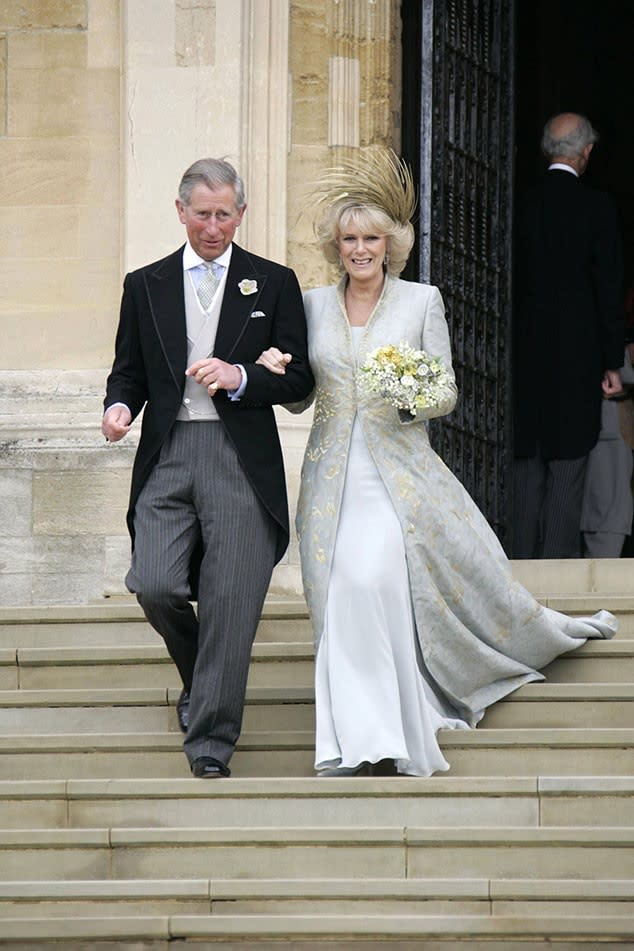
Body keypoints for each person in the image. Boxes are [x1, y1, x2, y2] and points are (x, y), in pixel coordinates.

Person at [257, 147, 616, 778]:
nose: (360, 249)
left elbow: (446, 390)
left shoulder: (421, 302)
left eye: (371, 238)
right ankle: (354, 740)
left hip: (399, 478)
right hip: (328, 481)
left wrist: (408, 395)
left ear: (391, 243)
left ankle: (392, 728)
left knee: (374, 582)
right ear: (335, 245)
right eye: (349, 239)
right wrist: (271, 372)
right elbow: (302, 396)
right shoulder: (310, 306)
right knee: (337, 594)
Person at [102, 158, 314, 779]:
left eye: (225, 215)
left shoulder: (272, 282)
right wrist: (118, 406)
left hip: (240, 458)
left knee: (231, 600)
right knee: (154, 583)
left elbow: (300, 375)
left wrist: (241, 376)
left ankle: (210, 744)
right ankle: (204, 679)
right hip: (167, 454)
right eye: (203, 214)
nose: (214, 226)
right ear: (180, 212)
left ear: (241, 215)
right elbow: (129, 371)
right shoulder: (145, 284)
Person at [513, 112, 624, 559]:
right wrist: (611, 360)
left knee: (523, 469)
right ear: (586, 152)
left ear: (546, 150)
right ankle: (556, 579)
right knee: (568, 467)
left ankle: (517, 573)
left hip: (520, 357)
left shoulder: (520, 203)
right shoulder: (598, 207)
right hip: (578, 360)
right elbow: (608, 288)